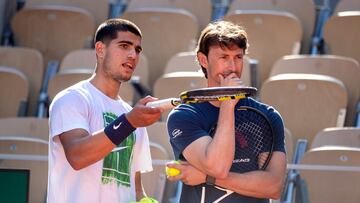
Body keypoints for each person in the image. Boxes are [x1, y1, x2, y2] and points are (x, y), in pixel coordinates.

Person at [166, 21, 286, 202]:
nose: (232, 66)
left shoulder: (267, 116)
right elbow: (217, 166)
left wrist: (207, 178)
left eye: (238, 57)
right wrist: (228, 104)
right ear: (203, 60)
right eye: (224, 57)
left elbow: (273, 187)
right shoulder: (184, 116)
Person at [47, 18, 162, 203]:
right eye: (125, 46)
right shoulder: (72, 98)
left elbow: (135, 188)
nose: (133, 54)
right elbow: (77, 156)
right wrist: (129, 121)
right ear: (100, 49)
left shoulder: (133, 115)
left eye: (137, 49)